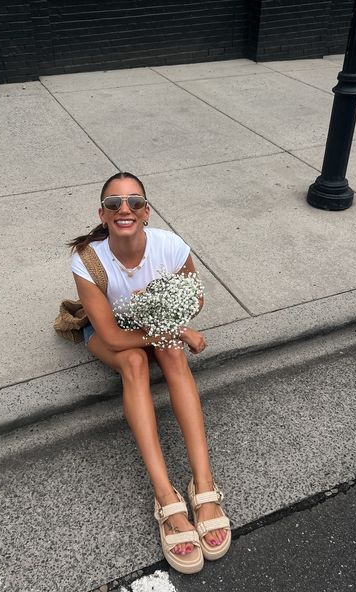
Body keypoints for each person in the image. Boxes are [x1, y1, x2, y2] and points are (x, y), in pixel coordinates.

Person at [69, 171, 231, 573]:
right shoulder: (88, 259)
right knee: (136, 361)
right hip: (112, 334)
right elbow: (111, 334)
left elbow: (193, 297)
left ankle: (204, 485)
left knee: (173, 356)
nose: (125, 209)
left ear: (146, 211)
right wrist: (177, 331)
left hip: (157, 324)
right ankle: (164, 494)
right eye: (114, 204)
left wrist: (171, 324)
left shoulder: (170, 246)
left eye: (134, 202)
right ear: (103, 215)